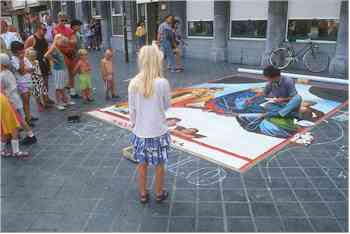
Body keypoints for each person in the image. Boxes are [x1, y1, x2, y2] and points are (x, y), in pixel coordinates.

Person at [128, 45, 171, 204]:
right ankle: (159, 192)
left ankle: (143, 193)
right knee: (160, 164)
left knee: (142, 163)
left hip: (140, 131)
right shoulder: (162, 83)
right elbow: (166, 106)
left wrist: (134, 125)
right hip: (158, 131)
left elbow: (132, 110)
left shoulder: (133, 82)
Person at [0, 53, 37, 145]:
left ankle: (27, 136)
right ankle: (27, 135)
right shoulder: (9, 73)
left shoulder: (2, 76)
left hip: (10, 101)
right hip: (16, 98)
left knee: (16, 119)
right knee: (20, 119)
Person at [24, 21, 54, 105]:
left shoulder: (44, 39)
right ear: (38, 29)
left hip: (45, 62)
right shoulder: (32, 38)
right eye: (44, 30)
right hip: (36, 64)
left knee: (46, 82)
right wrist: (30, 63)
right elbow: (25, 51)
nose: (45, 32)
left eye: (46, 30)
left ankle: (46, 98)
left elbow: (47, 50)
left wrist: (51, 61)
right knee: (38, 83)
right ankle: (40, 101)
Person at [44, 35, 74, 110]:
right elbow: (46, 55)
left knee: (62, 86)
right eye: (64, 44)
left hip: (62, 68)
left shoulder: (58, 47)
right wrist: (54, 60)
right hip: (58, 70)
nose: (64, 46)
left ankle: (65, 100)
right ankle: (58, 103)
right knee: (58, 87)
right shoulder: (54, 47)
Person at [10, 41, 37, 127]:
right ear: (15, 51)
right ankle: (27, 119)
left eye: (23, 50)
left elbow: (32, 69)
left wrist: (25, 68)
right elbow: (21, 71)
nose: (23, 52)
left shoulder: (24, 58)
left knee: (27, 101)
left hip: (27, 81)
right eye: (21, 51)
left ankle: (28, 116)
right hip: (21, 83)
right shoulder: (14, 60)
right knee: (25, 101)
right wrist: (21, 61)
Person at [54, 12, 78, 98]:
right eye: (62, 20)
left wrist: (65, 40)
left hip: (70, 53)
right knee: (63, 75)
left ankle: (72, 91)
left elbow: (75, 41)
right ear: (58, 19)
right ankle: (63, 96)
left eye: (65, 20)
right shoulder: (55, 29)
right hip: (61, 54)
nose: (63, 22)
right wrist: (68, 41)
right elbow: (59, 43)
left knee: (72, 73)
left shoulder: (68, 29)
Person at [0, 92, 29, 158]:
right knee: (14, 129)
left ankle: (2, 151)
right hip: (5, 108)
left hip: (4, 106)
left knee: (5, 132)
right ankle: (16, 152)